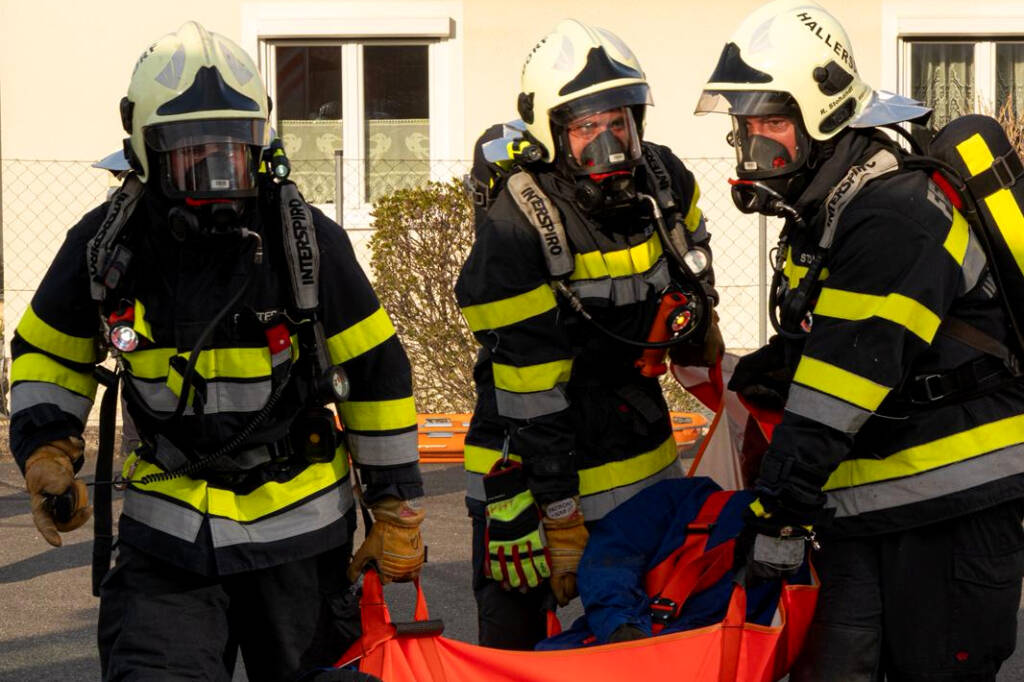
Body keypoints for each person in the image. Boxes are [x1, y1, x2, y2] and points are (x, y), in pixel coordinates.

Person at [11, 22, 425, 681]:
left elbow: (376, 374)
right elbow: (48, 353)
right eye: (192, 152)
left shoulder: (305, 244)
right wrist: (46, 446)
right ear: (145, 150)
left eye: (233, 149)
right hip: (167, 539)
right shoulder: (108, 246)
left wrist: (395, 503)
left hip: (299, 541)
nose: (217, 173)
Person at [696, 1, 1024, 679]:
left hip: (951, 508)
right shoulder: (829, 207)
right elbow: (824, 345)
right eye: (746, 123)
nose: (754, 142)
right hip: (866, 502)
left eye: (773, 121)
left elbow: (839, 387)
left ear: (823, 114)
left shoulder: (894, 213)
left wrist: (777, 510)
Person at [455, 19, 722, 650]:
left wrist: (691, 316)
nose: (608, 143)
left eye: (619, 122)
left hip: (639, 455)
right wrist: (556, 509)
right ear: (552, 135)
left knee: (648, 634)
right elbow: (529, 384)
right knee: (517, 648)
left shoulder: (665, 181)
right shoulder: (515, 226)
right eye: (586, 127)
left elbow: (696, 264)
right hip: (526, 469)